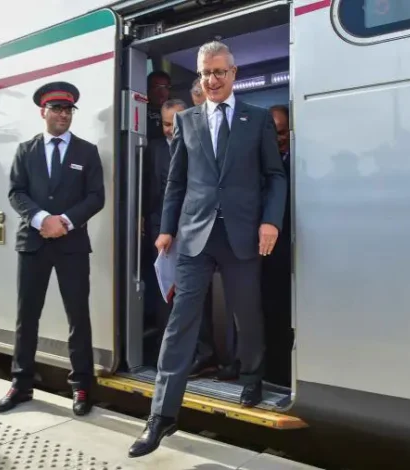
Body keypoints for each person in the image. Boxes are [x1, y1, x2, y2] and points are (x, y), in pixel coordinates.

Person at [128, 41, 287, 458]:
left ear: (233, 73)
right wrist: (166, 229)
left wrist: (270, 220)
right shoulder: (187, 121)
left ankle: (252, 377)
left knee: (246, 314)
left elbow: (275, 176)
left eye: (219, 72)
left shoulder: (256, 120)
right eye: (205, 74)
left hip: (241, 235)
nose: (212, 80)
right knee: (180, 323)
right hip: (195, 236)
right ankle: (161, 416)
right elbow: (176, 182)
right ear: (199, 77)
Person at [0, 81, 105, 417]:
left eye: (68, 109)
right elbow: (16, 193)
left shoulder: (86, 152)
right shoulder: (26, 151)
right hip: (33, 243)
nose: (63, 115)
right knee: (27, 317)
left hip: (71, 245)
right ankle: (21, 383)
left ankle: (82, 385)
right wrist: (42, 219)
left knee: (78, 317)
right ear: (43, 112)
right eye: (56, 109)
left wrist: (66, 221)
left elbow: (96, 197)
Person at [145, 98, 218, 375]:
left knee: (195, 294)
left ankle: (204, 353)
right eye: (165, 124)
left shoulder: (202, 143)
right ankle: (171, 354)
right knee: (166, 292)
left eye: (175, 124)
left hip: (193, 230)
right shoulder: (152, 150)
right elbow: (148, 189)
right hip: (161, 232)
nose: (170, 130)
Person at [261, 104, 293, 387]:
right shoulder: (260, 163)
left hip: (292, 251)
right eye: (274, 133)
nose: (278, 138)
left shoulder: (299, 161)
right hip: (267, 253)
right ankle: (272, 373)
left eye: (282, 132)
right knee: (270, 313)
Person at [146, 70, 172, 141]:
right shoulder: (140, 111)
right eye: (156, 87)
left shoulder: (175, 112)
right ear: (148, 89)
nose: (161, 92)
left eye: (165, 87)